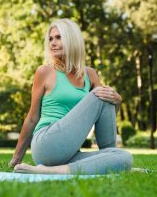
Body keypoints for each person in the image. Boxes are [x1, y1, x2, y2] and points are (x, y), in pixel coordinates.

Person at [8, 19, 133, 175]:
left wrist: (118, 101)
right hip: (46, 142)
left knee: (124, 157)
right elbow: (32, 117)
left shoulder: (90, 75)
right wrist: (16, 157)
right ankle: (102, 158)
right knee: (100, 93)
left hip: (69, 151)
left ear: (72, 39)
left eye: (59, 37)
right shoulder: (44, 72)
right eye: (51, 39)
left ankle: (50, 171)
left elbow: (104, 114)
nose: (53, 43)